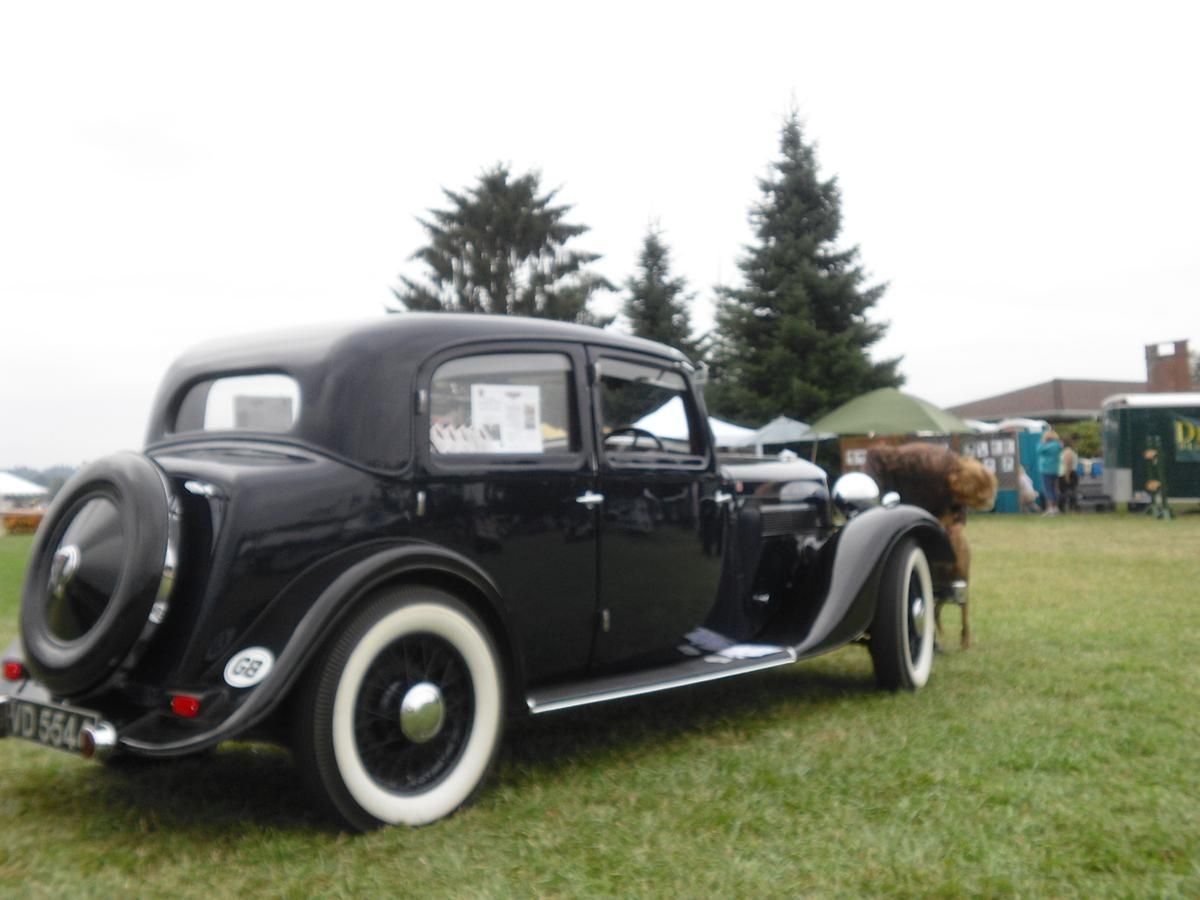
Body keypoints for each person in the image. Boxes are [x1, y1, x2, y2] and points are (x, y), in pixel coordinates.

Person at [1037, 429, 1062, 515]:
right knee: (1054, 489)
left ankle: (1050, 508)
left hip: (1046, 470)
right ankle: (1055, 508)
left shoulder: (1048, 445)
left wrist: (1042, 442)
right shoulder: (1057, 445)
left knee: (1048, 489)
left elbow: (1039, 450)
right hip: (1055, 470)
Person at [1058, 437, 1079, 513]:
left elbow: (1068, 464)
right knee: (1067, 492)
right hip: (1065, 473)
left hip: (1067, 474)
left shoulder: (1067, 452)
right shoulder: (1066, 451)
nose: (1059, 444)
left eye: (1061, 442)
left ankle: (1070, 508)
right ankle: (1069, 508)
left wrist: (1067, 476)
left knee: (1067, 492)